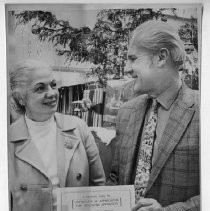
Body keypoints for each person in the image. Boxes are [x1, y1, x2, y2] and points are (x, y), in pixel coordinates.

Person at [107, 20, 199, 211]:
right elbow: (115, 177)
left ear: (161, 57)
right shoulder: (126, 112)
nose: (126, 68)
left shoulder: (203, 110)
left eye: (133, 59)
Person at [8, 59, 106, 211]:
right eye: (40, 89)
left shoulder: (78, 128)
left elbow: (98, 186)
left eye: (53, 85)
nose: (52, 93)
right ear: (21, 98)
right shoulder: (8, 139)